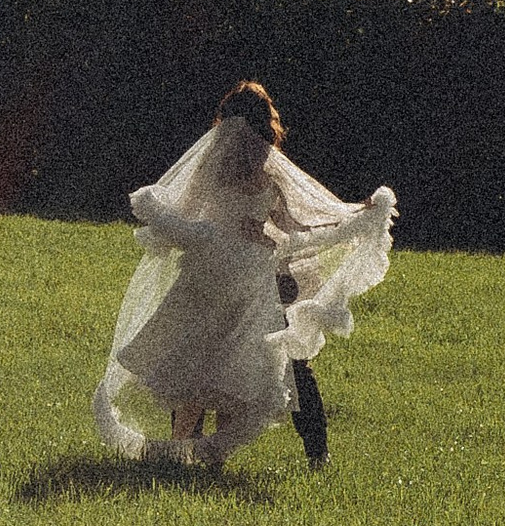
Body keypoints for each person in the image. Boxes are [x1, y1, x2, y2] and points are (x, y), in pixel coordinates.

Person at [92, 81, 396, 470]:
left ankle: (185, 450)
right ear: (267, 122)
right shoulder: (271, 172)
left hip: (209, 271)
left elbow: (187, 213)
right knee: (235, 365)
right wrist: (354, 216)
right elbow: (296, 227)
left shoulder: (213, 165)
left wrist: (199, 232)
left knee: (195, 358)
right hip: (249, 275)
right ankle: (240, 455)